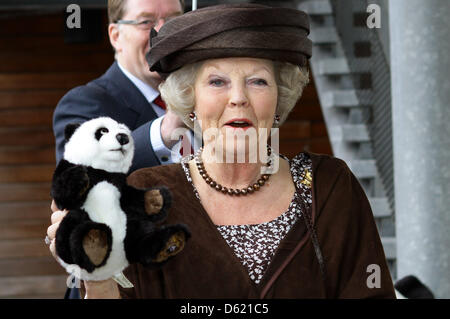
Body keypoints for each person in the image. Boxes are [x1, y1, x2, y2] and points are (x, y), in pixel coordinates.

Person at [47, 4, 396, 299]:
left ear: (279, 98)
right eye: (217, 82)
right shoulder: (146, 192)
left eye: (258, 81)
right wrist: (95, 274)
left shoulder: (331, 187)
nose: (238, 97)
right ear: (188, 101)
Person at [53, 0, 189, 172]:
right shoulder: (84, 103)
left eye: (173, 22)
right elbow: (80, 179)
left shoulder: (204, 96)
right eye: (146, 22)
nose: (163, 33)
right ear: (116, 36)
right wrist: (162, 133)